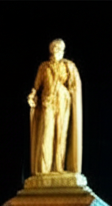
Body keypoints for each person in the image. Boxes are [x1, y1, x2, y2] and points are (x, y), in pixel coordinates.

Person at [28, 39, 83, 176]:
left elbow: (74, 85)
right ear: (50, 49)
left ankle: (59, 166)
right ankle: (43, 169)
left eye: (59, 47)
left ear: (63, 50)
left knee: (61, 134)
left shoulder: (68, 66)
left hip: (63, 101)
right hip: (48, 101)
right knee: (47, 132)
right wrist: (32, 96)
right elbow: (36, 86)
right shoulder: (44, 67)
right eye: (54, 47)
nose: (56, 49)